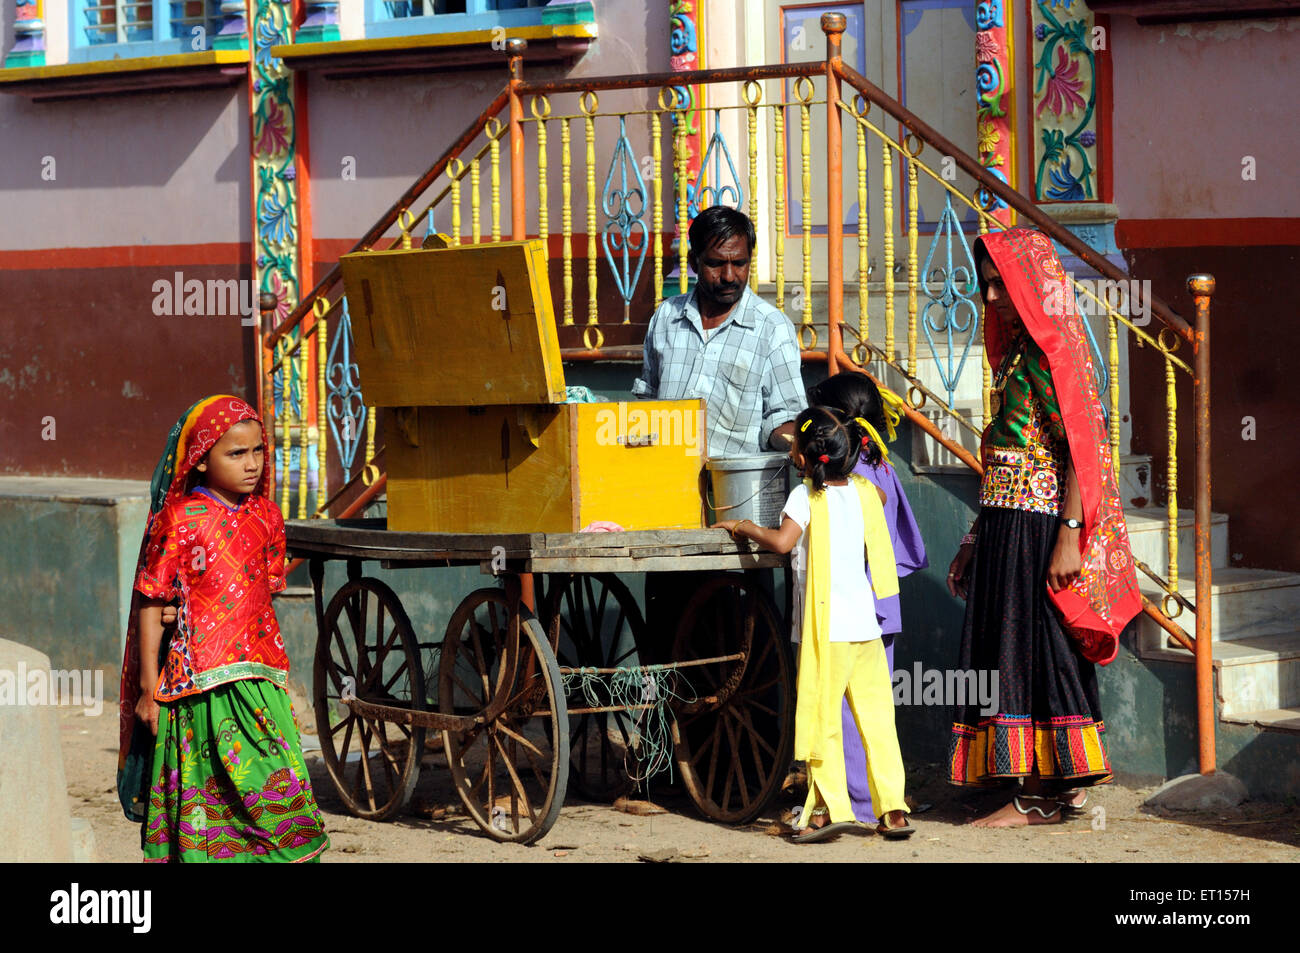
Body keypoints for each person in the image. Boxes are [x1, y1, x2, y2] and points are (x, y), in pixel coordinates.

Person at [946, 228, 1140, 826]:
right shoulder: (1017, 356)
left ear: (1035, 286)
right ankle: (1032, 781)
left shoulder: (1049, 356)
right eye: (985, 285)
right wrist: (982, 531)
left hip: (1039, 526)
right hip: (1007, 521)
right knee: (1007, 650)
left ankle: (1047, 793)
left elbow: (1082, 446)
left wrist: (1068, 532)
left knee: (1037, 647)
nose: (992, 298)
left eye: (1004, 284)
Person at [117, 395, 329, 861]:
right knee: (208, 800)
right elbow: (152, 602)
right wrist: (149, 688)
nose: (251, 464)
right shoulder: (181, 518)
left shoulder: (267, 516)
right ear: (200, 459)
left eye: (257, 451)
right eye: (235, 453)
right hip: (196, 684)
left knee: (278, 793)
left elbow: (259, 590)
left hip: (260, 676)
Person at [715, 406, 913, 842]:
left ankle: (831, 810)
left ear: (806, 456)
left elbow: (784, 542)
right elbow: (880, 498)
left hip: (826, 631)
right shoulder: (864, 491)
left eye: (795, 448)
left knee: (824, 719)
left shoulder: (804, 497)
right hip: (866, 628)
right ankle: (894, 810)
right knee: (878, 720)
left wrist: (745, 526)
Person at [806, 370, 927, 825]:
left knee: (837, 710)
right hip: (883, 604)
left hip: (846, 609)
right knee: (874, 711)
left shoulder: (842, 474)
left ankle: (848, 804)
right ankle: (885, 804)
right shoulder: (880, 465)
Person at [633, 205, 804, 456]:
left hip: (738, 486)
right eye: (715, 264)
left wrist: (798, 442)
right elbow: (647, 398)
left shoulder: (772, 328)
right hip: (668, 479)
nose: (728, 276)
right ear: (694, 262)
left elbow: (786, 415)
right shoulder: (666, 317)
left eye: (739, 263)